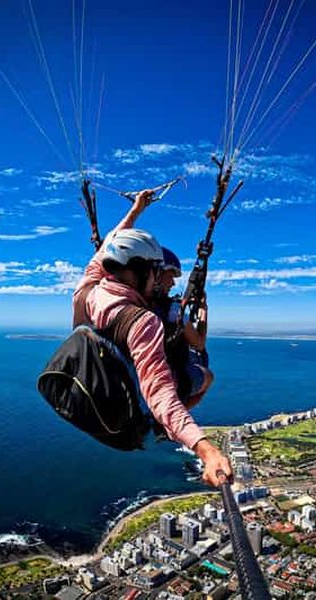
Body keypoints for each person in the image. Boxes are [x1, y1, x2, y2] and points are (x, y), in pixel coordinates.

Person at [72, 190, 232, 488]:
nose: (159, 280)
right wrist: (206, 450)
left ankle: (164, 423)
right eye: (156, 272)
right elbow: (159, 393)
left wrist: (136, 211)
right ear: (140, 270)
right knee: (206, 377)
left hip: (94, 393)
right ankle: (162, 427)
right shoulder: (141, 322)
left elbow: (110, 245)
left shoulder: (86, 291)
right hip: (131, 406)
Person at [155, 247, 215, 410]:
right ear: (157, 274)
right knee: (208, 375)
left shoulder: (134, 302)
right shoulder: (173, 311)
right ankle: (174, 414)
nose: (173, 283)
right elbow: (199, 344)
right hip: (164, 372)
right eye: (170, 276)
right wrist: (203, 310)